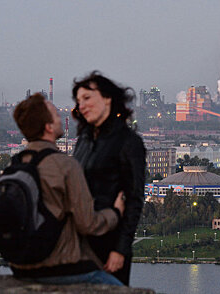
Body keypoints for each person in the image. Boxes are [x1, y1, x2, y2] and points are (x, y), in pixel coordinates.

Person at [10, 93, 124, 286]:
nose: (61, 119)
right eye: (55, 115)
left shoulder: (16, 164)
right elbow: (88, 224)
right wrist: (115, 212)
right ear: (48, 127)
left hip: (21, 267)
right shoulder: (65, 166)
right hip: (59, 268)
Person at [72, 72, 146, 286]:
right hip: (80, 242)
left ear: (107, 98)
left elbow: (134, 200)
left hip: (109, 245)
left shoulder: (128, 142)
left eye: (87, 98)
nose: (82, 105)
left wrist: (120, 250)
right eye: (78, 101)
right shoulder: (84, 140)